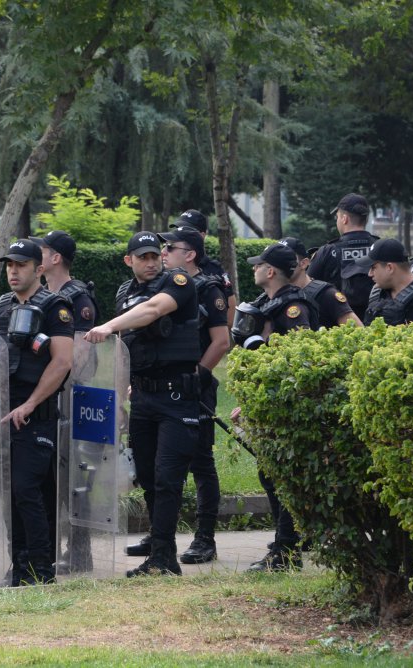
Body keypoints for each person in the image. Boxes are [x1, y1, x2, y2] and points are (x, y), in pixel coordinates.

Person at [85, 232, 200, 577]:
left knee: (167, 477)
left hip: (177, 397)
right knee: (147, 476)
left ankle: (165, 557)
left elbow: (151, 311)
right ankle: (159, 553)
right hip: (144, 397)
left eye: (156, 255)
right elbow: (123, 352)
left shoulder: (178, 282)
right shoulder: (124, 292)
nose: (151, 262)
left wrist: (106, 325)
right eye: (143, 257)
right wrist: (120, 400)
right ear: (129, 260)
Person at [0, 239, 74, 585]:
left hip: (35, 413)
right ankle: (19, 564)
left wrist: (30, 403)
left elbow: (63, 361)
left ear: (39, 269)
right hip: (2, 411)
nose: (13, 271)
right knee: (9, 493)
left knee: (28, 489)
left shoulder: (56, 306)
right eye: (10, 264)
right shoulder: (4, 305)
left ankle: (41, 568)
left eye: (22, 265)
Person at [233, 242, 315, 572]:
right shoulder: (268, 303)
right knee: (269, 475)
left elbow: (298, 357)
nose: (253, 269)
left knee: (281, 477)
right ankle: (283, 545)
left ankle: (286, 551)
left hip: (285, 405)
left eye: (258, 265)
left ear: (271, 271)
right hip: (266, 403)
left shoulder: (292, 307)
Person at [160, 227, 231, 565]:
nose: (163, 252)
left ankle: (205, 539)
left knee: (201, 463)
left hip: (196, 386)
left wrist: (198, 376)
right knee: (163, 464)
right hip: (165, 387)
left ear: (189, 254)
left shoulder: (208, 287)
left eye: (169, 247)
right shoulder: (166, 285)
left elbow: (221, 341)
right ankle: (160, 536)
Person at [30, 230, 97, 574]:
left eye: (40, 250)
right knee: (46, 476)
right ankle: (49, 546)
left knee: (75, 477)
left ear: (55, 258)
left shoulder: (77, 298)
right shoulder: (39, 295)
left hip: (70, 398)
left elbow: (79, 355)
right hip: (44, 396)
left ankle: (80, 549)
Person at [307, 193, 378, 320]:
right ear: (366, 219)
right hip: (378, 323)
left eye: (337, 217)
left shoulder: (327, 251)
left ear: (344, 219)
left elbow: (307, 287)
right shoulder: (381, 247)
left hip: (337, 327)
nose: (337, 221)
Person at [170, 209, 237, 322]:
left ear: (202, 235)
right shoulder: (169, 265)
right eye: (178, 228)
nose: (181, 232)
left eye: (187, 229)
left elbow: (230, 309)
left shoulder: (214, 269)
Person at [280, 237, 362, 329]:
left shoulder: (326, 294)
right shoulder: (272, 297)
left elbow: (358, 331)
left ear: (303, 263)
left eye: (287, 259)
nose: (279, 264)